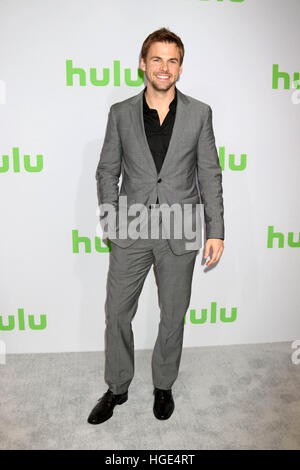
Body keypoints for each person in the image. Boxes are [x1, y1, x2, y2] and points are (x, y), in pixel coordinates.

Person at [88, 27, 224, 424]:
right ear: (143, 64)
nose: (164, 67)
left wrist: (215, 229)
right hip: (130, 226)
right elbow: (107, 171)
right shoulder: (120, 113)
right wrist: (112, 219)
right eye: (157, 59)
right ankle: (117, 387)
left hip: (181, 227)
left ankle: (163, 385)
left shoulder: (200, 113)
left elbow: (210, 173)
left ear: (180, 68)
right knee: (116, 313)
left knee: (173, 314)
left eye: (173, 60)